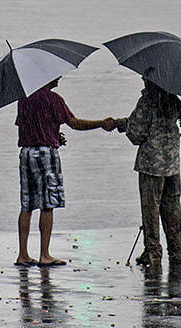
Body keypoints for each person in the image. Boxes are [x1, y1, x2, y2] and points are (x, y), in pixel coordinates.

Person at [15, 79, 115, 267]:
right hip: (46, 155)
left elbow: (26, 127)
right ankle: (45, 254)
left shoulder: (24, 99)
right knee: (48, 204)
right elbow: (75, 123)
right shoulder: (53, 99)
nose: (60, 77)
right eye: (56, 75)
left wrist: (53, 133)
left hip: (26, 154)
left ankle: (23, 254)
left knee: (26, 205)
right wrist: (101, 123)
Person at [115, 80, 181, 268]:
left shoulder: (147, 101)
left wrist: (122, 125)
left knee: (151, 209)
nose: (142, 79)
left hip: (151, 165)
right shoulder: (172, 99)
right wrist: (121, 123)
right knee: (172, 207)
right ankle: (177, 251)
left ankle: (153, 252)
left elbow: (136, 134)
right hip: (172, 164)